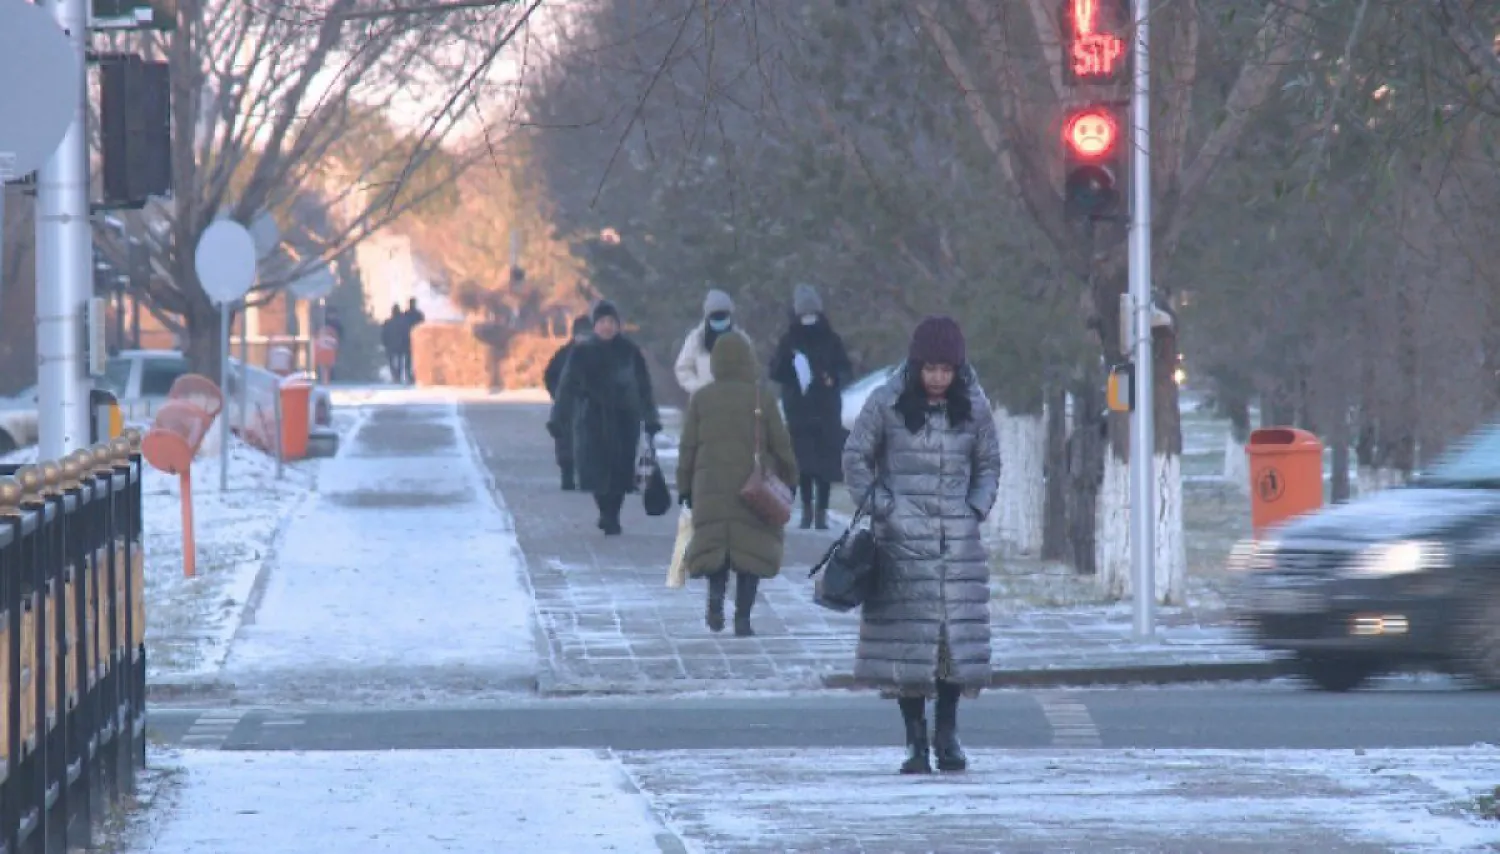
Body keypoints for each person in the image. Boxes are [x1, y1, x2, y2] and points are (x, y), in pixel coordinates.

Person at [842, 315, 1001, 775]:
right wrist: (884, 507)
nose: (937, 378)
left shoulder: (973, 405)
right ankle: (915, 742)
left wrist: (974, 508)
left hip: (957, 547)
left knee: (951, 649)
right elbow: (856, 457)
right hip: (902, 546)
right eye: (929, 369)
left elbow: (989, 462)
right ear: (916, 366)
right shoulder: (887, 401)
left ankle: (947, 736)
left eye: (945, 369)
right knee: (907, 649)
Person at [676, 333, 798, 637]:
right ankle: (743, 618)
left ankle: (714, 604)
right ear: (748, 361)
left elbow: (688, 447)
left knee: (716, 547)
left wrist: (684, 487)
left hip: (710, 487)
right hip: (753, 487)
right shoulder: (762, 398)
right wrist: (790, 479)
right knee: (751, 552)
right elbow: (782, 444)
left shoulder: (702, 399)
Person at [547, 300, 662, 536]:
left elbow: (644, 387)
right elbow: (567, 387)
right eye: (602, 322)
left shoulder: (629, 352)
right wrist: (559, 419)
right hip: (591, 421)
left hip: (624, 421)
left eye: (611, 322)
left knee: (620, 472)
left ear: (618, 326)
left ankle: (613, 515)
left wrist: (650, 418)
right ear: (595, 325)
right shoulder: (582, 353)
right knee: (596, 472)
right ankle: (605, 512)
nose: (607, 327)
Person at [770, 283, 853, 530]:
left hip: (826, 408)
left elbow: (844, 368)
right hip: (799, 409)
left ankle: (822, 511)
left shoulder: (831, 338)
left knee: (826, 462)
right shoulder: (788, 340)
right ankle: (807, 510)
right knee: (804, 463)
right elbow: (776, 371)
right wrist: (793, 372)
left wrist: (833, 378)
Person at [544, 314, 594, 491]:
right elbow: (550, 376)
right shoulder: (564, 354)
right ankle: (567, 475)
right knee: (565, 440)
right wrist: (558, 394)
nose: (584, 338)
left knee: (588, 441)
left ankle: (586, 476)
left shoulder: (597, 353)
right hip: (567, 405)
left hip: (590, 405)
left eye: (587, 335)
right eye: (581, 334)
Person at [675, 288, 748, 397]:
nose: (719, 320)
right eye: (715, 316)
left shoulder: (741, 338)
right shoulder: (697, 338)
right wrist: (698, 388)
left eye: (723, 315)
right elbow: (683, 368)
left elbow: (751, 369)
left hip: (735, 400)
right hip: (704, 402)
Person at [381, 304, 408, 384]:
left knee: (392, 362)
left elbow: (384, 334)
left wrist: (385, 343)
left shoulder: (388, 322)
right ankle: (397, 376)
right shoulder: (402, 322)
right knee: (399, 361)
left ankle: (395, 376)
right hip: (400, 345)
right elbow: (405, 333)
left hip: (390, 345)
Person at [402, 298, 426, 384]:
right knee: (415, 359)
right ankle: (413, 376)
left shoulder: (405, 314)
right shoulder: (418, 314)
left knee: (408, 360)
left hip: (407, 340)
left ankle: (409, 376)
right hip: (416, 340)